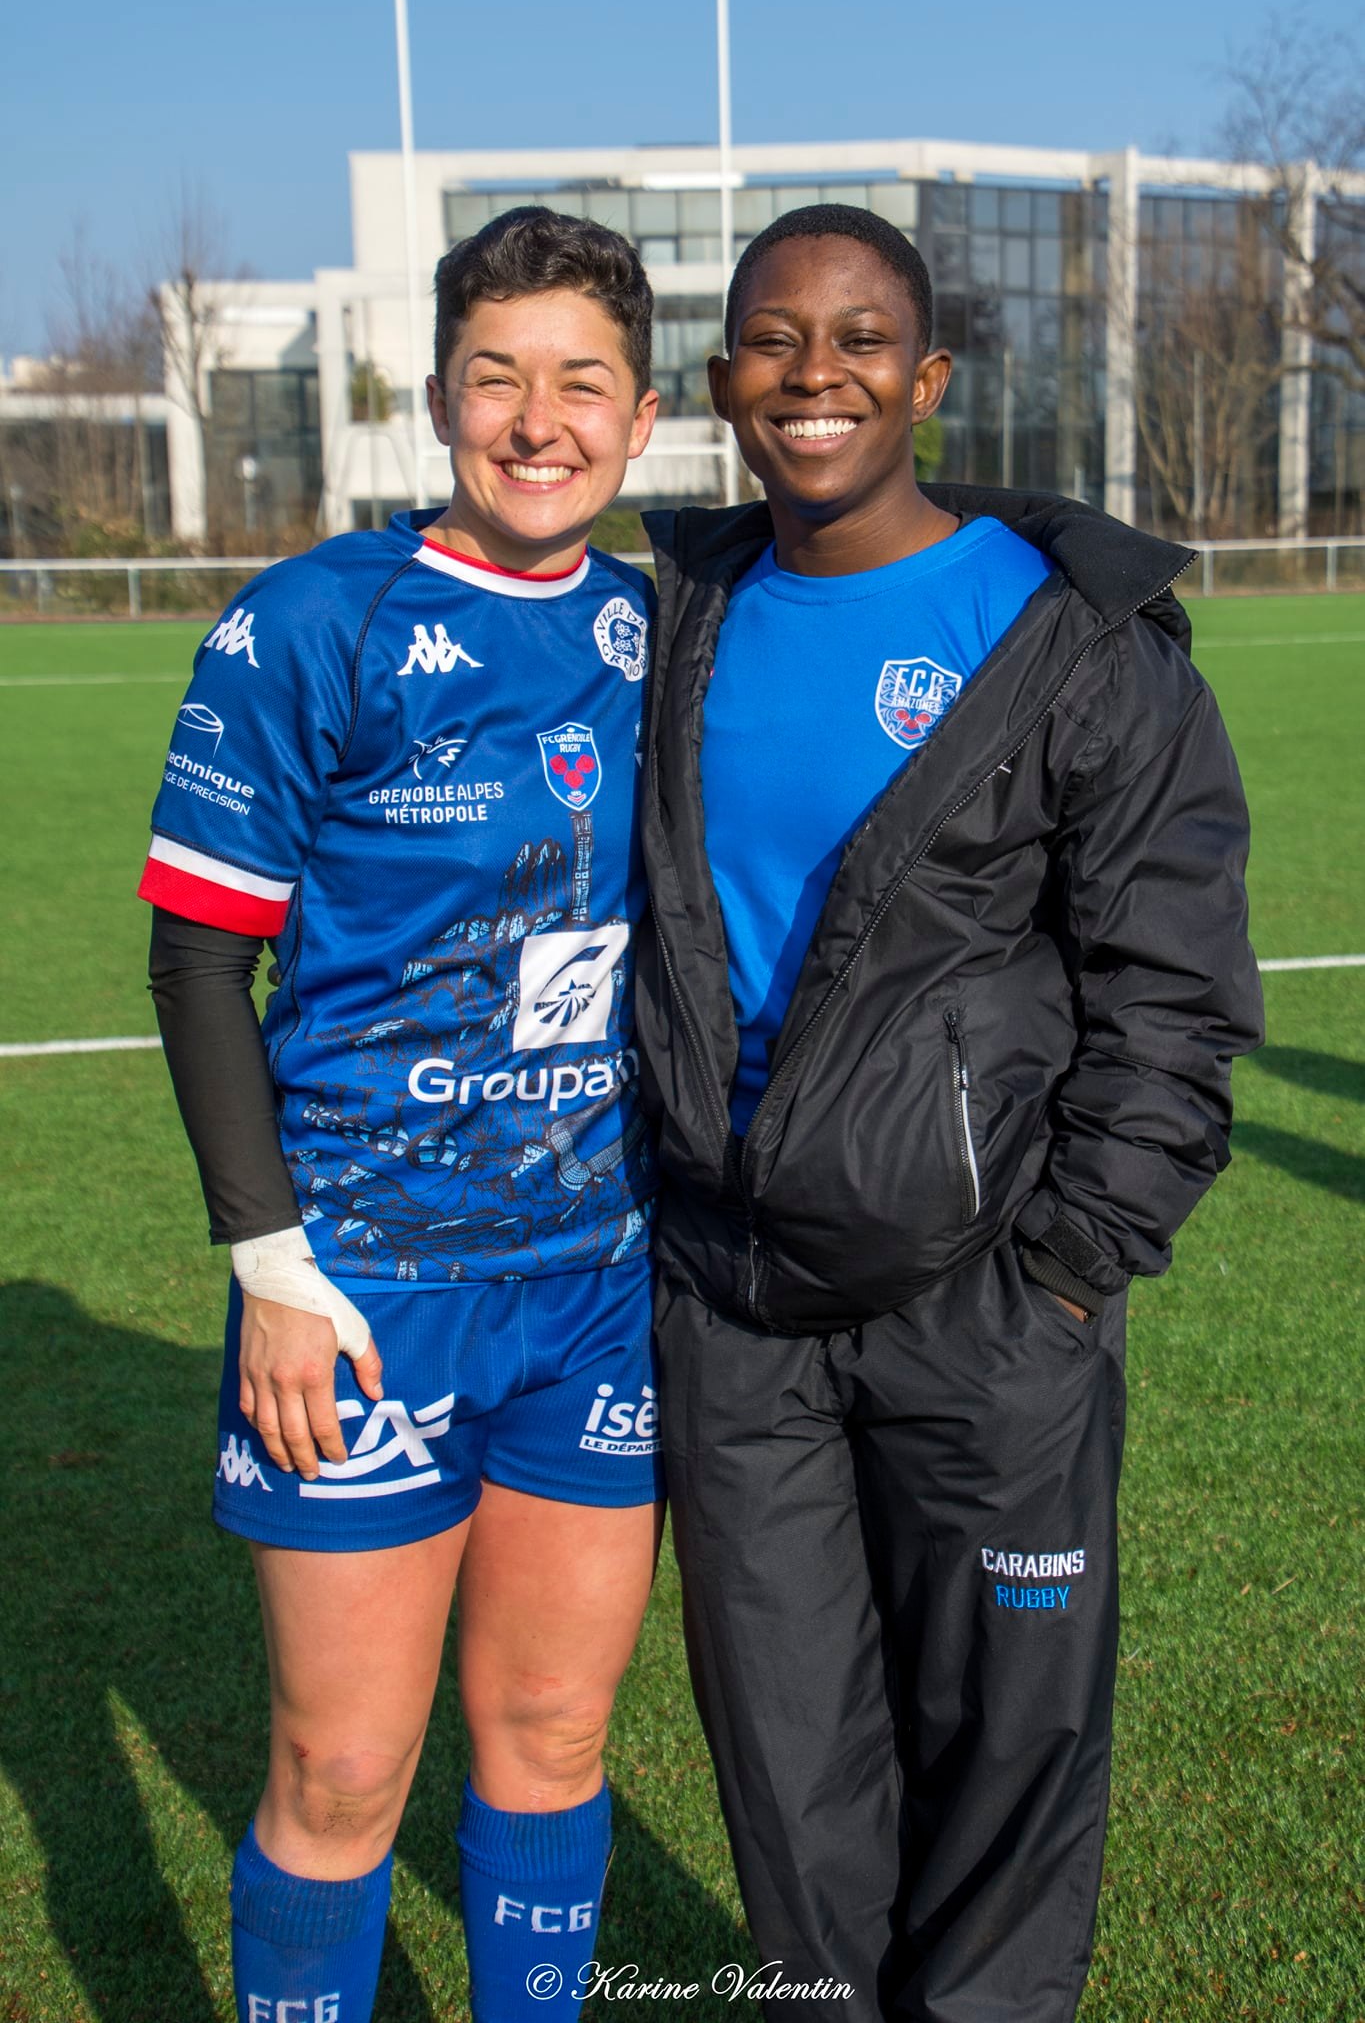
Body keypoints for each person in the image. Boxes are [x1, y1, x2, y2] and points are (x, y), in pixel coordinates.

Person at [636, 203, 1263, 2021]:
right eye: (770, 339)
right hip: (732, 1308)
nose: (808, 375)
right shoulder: (677, 615)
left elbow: (1173, 995)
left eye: (852, 341)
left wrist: (1065, 1275)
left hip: (986, 1313)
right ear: (722, 380)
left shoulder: (1074, 642)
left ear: (926, 377)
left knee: (1001, 1776)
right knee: (787, 1782)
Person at [140, 207, 662, 2023]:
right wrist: (273, 1271)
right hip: (357, 1296)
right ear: (438, 399)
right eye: (498, 377)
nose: (540, 419)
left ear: (642, 413)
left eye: (581, 381)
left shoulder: (662, 620)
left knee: (548, 1730)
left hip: (599, 1285)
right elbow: (197, 968)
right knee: (346, 1774)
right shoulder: (313, 619)